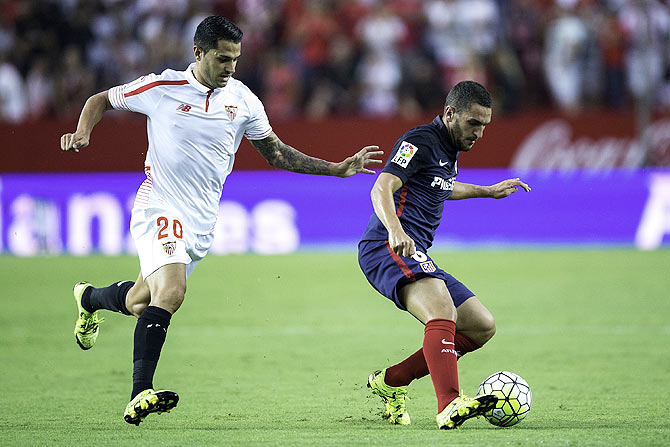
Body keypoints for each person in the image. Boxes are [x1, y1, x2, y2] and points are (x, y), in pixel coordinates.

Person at [60, 16, 382, 426]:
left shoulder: (244, 100)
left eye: (236, 59)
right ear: (198, 53)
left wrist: (336, 168)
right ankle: (140, 392)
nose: (231, 67)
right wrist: (83, 132)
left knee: (141, 301)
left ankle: (88, 299)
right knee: (172, 293)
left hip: (201, 223)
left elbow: (277, 153)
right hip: (159, 205)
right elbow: (99, 100)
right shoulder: (162, 88)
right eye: (223, 58)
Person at [357, 80, 530, 430]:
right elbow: (382, 186)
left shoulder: (448, 152)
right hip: (386, 246)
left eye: (484, 126)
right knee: (442, 310)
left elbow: (442, 187)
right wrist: (395, 229)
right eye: (473, 123)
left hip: (415, 250)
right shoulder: (418, 141)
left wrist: (487, 191)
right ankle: (449, 403)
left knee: (481, 326)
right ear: (450, 113)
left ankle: (391, 381)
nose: (479, 133)